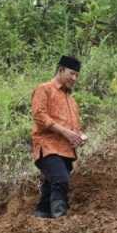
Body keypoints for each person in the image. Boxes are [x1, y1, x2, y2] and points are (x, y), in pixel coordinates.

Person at [30, 55, 86, 219]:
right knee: (61, 180)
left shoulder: (72, 100)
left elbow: (73, 127)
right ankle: (60, 217)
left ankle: (41, 214)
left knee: (51, 184)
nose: (74, 78)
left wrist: (79, 135)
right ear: (61, 70)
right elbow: (39, 116)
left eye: (77, 75)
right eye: (72, 73)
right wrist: (65, 132)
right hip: (47, 146)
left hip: (66, 150)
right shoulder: (44, 89)